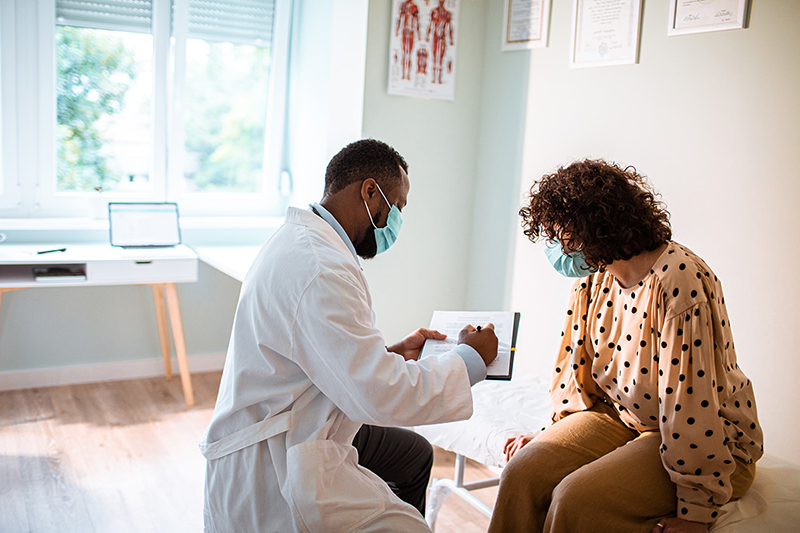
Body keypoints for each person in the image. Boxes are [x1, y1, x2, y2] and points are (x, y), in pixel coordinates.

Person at [200, 139, 498, 532]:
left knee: (413, 455)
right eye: (398, 207)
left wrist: (390, 352)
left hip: (306, 413)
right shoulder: (322, 268)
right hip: (279, 453)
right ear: (370, 192)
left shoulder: (305, 241)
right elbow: (381, 394)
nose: (397, 224)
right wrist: (470, 358)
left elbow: (316, 349)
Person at [488, 160, 763, 533]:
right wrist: (552, 435)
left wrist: (696, 513)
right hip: (621, 418)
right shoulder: (593, 279)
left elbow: (690, 403)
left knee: (576, 497)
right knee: (521, 474)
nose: (554, 246)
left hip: (703, 438)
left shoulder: (679, 282)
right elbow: (576, 375)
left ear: (596, 227)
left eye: (559, 234)